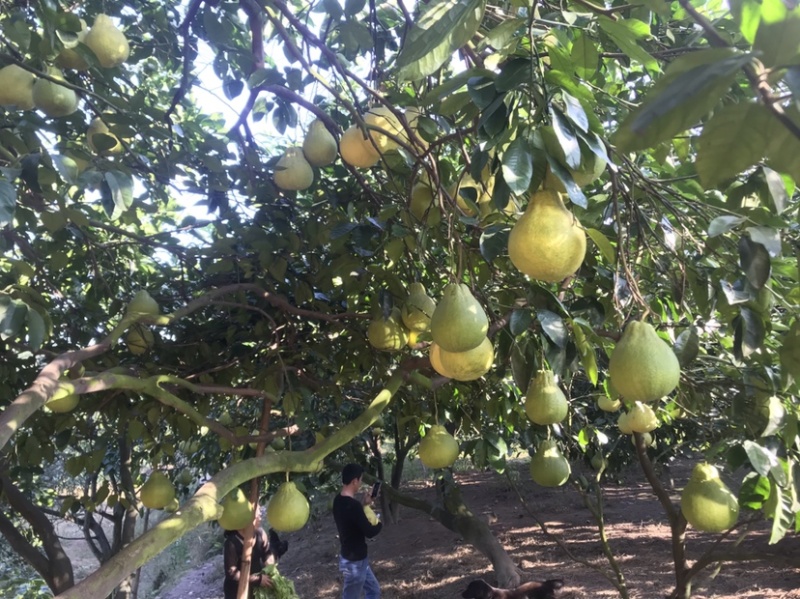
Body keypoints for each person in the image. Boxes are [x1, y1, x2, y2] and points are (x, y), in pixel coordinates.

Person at [332, 463, 383, 599]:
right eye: (360, 480)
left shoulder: (338, 500)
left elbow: (352, 519)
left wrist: (365, 504)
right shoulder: (354, 506)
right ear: (354, 481)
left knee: (374, 590)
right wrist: (379, 523)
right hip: (355, 562)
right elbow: (370, 532)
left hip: (352, 558)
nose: (360, 483)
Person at [223, 506, 287, 599]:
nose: (260, 515)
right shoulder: (232, 542)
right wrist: (258, 579)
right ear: (245, 516)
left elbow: (267, 555)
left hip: (256, 589)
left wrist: (271, 570)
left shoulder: (260, 533)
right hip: (237, 591)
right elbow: (232, 573)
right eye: (257, 512)